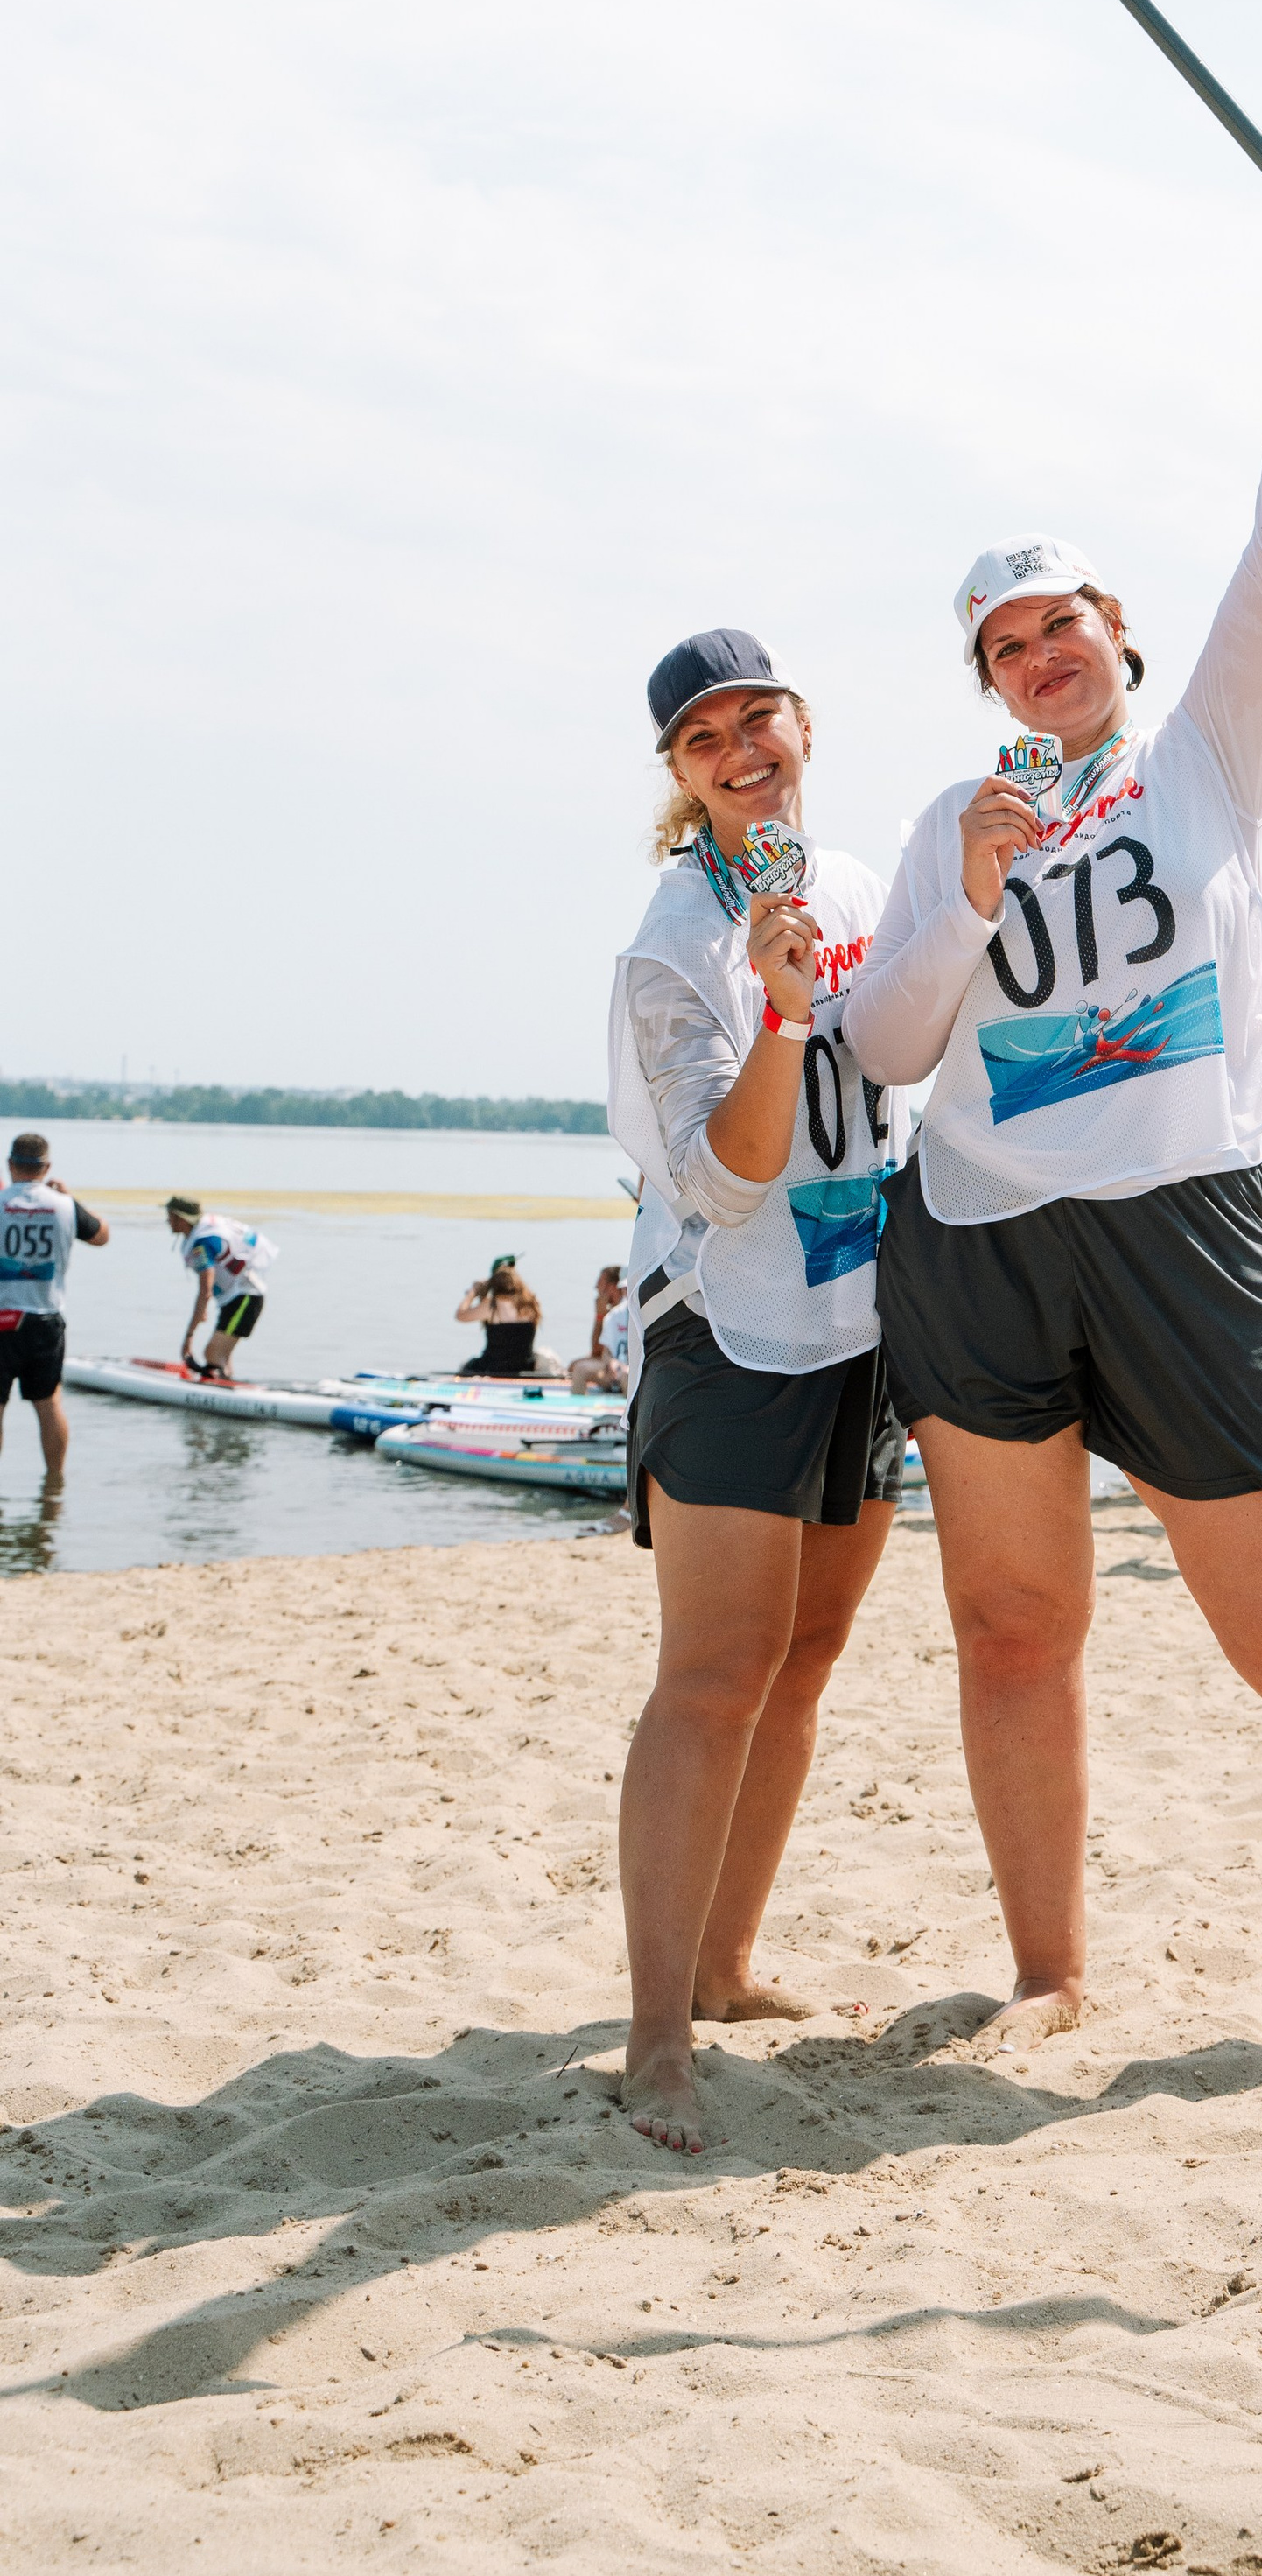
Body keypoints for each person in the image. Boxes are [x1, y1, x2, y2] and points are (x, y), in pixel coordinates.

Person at [845, 194, 1262, 2058]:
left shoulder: (1205, 744)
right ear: (981, 679)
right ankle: (1049, 1974)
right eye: (1004, 643)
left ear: (1113, 632)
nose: (1039, 655)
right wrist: (965, 898)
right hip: (976, 1241)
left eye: (1061, 624)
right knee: (1012, 1630)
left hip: (1187, 1227)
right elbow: (889, 1046)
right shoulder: (946, 818)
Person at [606, 626, 906, 2152]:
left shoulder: (861, 885)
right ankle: (656, 2036)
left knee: (807, 1656)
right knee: (713, 1674)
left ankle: (725, 1968)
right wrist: (782, 1011)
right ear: (680, 773)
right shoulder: (672, 949)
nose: (742, 749)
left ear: (803, 725)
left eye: (760, 718)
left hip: (863, 1323)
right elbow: (724, 1184)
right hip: (724, 1327)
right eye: (705, 737)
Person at [0, 1132, 109, 1485]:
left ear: (10, 1164)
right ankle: (55, 1485)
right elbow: (101, 1235)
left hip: (2, 1320)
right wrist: (69, 1197)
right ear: (46, 1167)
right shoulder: (64, 1206)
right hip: (45, 1320)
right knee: (48, 1405)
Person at [166, 1197, 276, 1379]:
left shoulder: (200, 1245)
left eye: (170, 1217)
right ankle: (225, 1385)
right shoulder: (202, 1232)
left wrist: (189, 1337)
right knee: (221, 1357)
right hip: (233, 1298)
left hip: (245, 1298)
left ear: (181, 1219)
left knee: (213, 1354)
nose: (167, 1221)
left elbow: (205, 1289)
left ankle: (219, 1393)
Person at [454, 1257, 543, 1377]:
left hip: (493, 1367)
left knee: (465, 1365)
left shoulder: (492, 1307)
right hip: (524, 1367)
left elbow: (460, 1315)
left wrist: (472, 1293)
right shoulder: (532, 1303)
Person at [570, 1265, 630, 1395]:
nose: (597, 1289)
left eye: (600, 1285)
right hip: (613, 1368)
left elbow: (596, 1351)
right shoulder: (614, 1315)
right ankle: (578, 1410)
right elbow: (603, 1352)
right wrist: (611, 1362)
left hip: (632, 1370)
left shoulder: (645, 1314)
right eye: (624, 1289)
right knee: (579, 1368)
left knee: (627, 1375)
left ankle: (628, 1413)